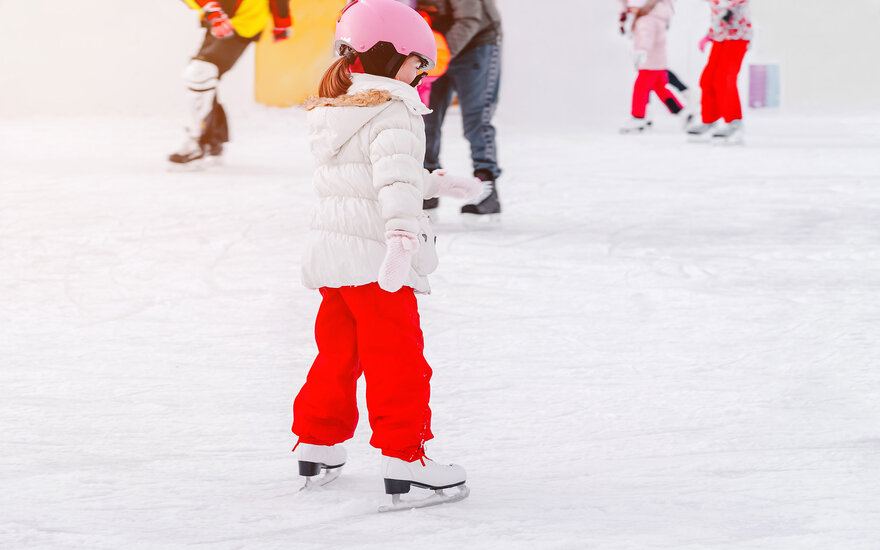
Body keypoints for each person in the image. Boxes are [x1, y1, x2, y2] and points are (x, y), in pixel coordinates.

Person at [291, 0, 481, 509]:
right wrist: (402, 238)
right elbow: (391, 178)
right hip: (379, 261)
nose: (421, 72)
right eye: (419, 61)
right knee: (398, 360)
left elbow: (373, 173)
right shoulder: (394, 107)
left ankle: (318, 443)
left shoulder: (340, 107)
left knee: (338, 355)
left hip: (334, 258)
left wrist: (437, 183)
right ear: (390, 54)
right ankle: (406, 461)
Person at [169, 0, 292, 164]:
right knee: (203, 75)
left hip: (245, 19)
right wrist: (211, 10)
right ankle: (211, 140)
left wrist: (281, 20)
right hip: (216, 18)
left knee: (201, 72)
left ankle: (197, 142)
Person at [417, 0, 503, 221]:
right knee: (425, 116)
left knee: (477, 118)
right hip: (435, 47)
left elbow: (469, 19)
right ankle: (428, 186)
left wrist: (439, 57)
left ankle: (486, 188)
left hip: (476, 44)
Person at [687, 0, 753, 143]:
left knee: (725, 78)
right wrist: (709, 34)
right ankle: (709, 119)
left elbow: (727, 6)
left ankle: (734, 122)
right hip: (720, 36)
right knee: (707, 79)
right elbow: (718, 14)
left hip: (738, 36)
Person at [620, 0, 690, 133]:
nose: (631, 10)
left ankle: (638, 117)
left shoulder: (646, 20)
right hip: (658, 61)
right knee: (660, 89)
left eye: (633, 7)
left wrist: (641, 50)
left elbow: (646, 37)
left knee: (640, 88)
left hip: (649, 62)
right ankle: (681, 112)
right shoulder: (656, 16)